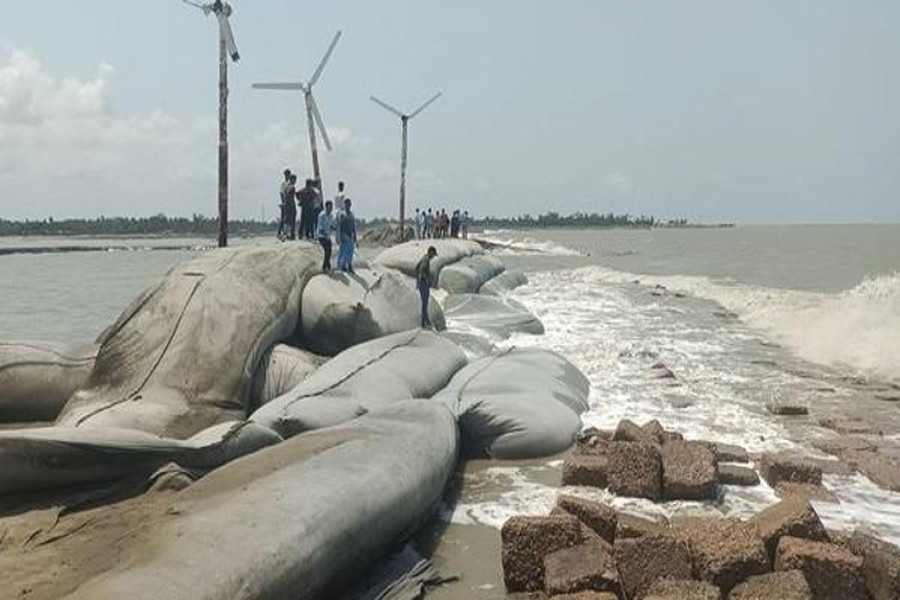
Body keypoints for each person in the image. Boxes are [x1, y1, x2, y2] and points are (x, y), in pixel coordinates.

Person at [415, 246, 438, 328]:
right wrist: (426, 280)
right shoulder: (426, 260)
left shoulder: (424, 258)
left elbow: (416, 268)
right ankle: (425, 322)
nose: (433, 257)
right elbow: (421, 270)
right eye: (433, 254)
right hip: (423, 284)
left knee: (424, 303)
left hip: (422, 284)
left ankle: (424, 322)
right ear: (430, 252)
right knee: (425, 303)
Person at [336, 197, 357, 272]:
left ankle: (349, 264)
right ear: (344, 205)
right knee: (343, 251)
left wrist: (355, 236)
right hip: (343, 235)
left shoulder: (352, 214)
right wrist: (338, 237)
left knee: (350, 251)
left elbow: (353, 226)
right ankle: (343, 265)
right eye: (346, 204)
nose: (348, 205)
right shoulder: (342, 214)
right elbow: (339, 226)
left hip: (350, 234)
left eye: (349, 204)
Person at [316, 200, 335, 272]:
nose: (330, 209)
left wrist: (334, 228)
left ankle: (327, 265)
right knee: (326, 250)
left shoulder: (330, 215)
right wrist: (325, 235)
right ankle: (325, 267)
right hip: (321, 236)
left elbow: (330, 226)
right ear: (326, 207)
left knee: (330, 251)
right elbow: (321, 228)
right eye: (329, 207)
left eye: (331, 207)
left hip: (327, 236)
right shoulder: (322, 215)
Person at [282, 174, 298, 240]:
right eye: (294, 179)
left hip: (286, 205)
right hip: (290, 205)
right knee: (291, 221)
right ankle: (291, 235)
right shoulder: (292, 187)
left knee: (287, 220)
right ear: (292, 179)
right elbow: (290, 197)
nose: (295, 181)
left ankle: (285, 234)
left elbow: (284, 195)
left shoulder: (286, 186)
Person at [277, 169, 292, 240]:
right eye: (286, 175)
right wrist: (283, 202)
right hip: (285, 203)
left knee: (288, 219)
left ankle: (287, 233)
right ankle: (279, 233)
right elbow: (281, 193)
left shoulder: (290, 183)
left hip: (289, 204)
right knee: (283, 218)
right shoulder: (284, 184)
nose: (287, 176)